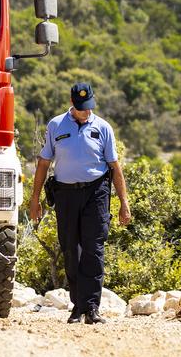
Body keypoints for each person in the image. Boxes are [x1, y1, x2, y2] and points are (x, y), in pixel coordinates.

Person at [28, 82, 131, 324]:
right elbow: (44, 163)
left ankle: (92, 308)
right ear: (72, 104)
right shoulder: (56, 125)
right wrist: (35, 200)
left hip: (96, 193)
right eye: (82, 108)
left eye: (90, 107)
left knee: (94, 251)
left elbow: (115, 168)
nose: (87, 112)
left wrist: (124, 202)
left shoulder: (103, 128)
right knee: (71, 251)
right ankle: (78, 306)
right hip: (65, 195)